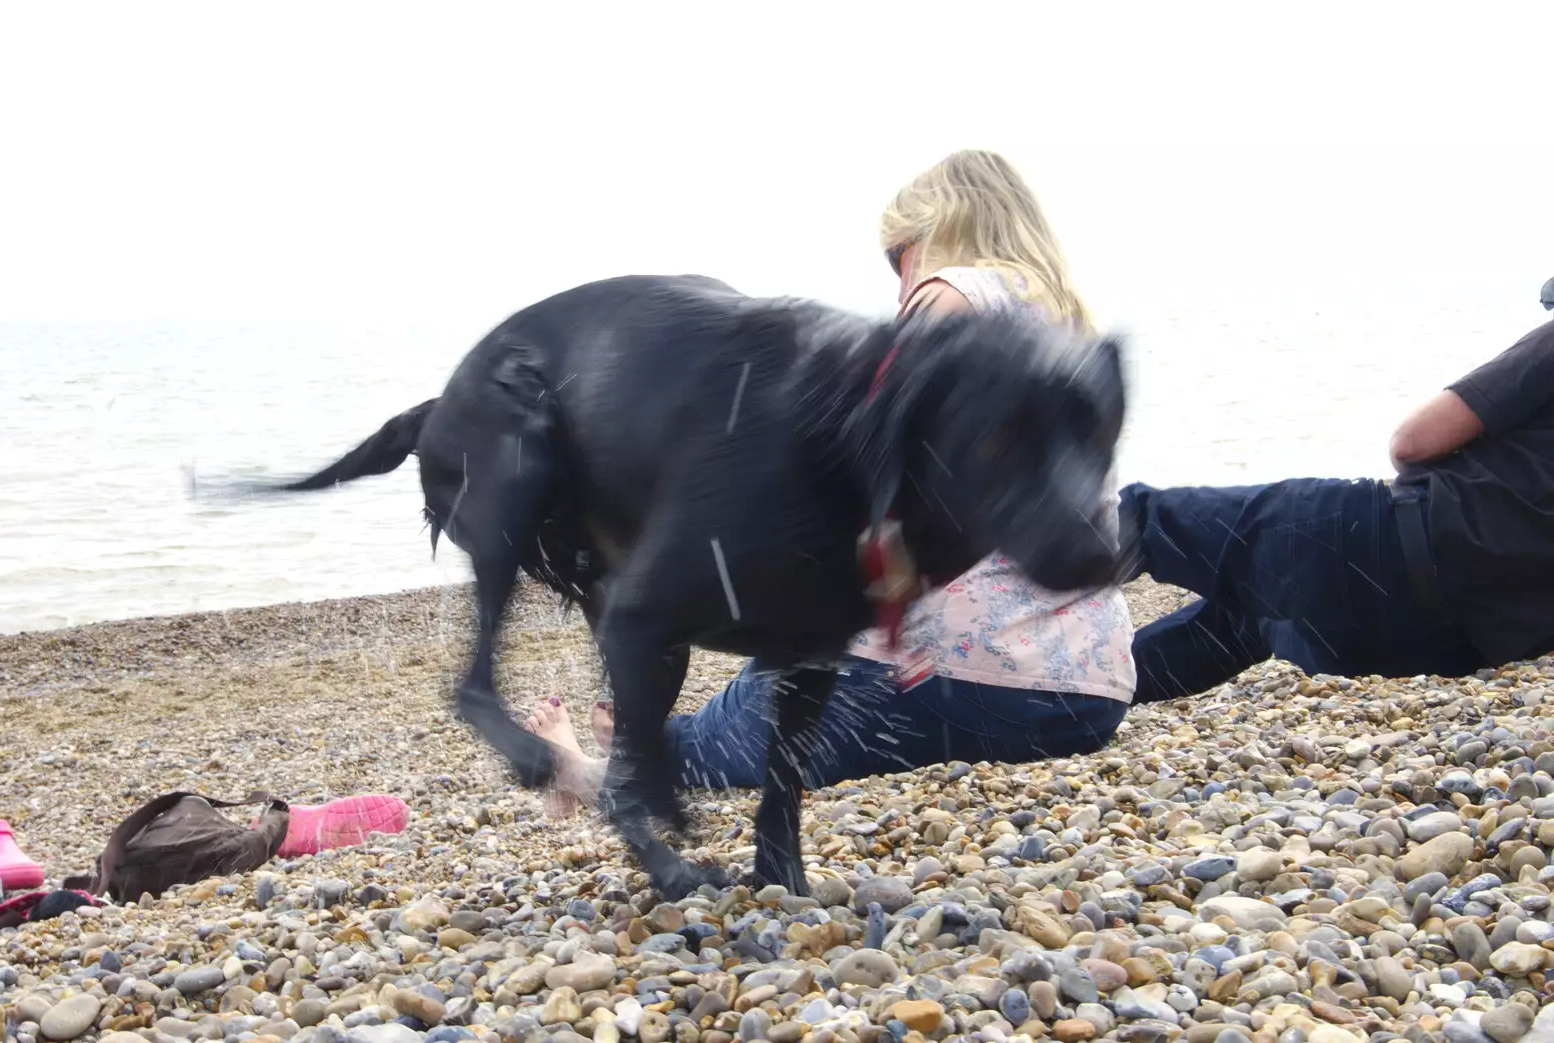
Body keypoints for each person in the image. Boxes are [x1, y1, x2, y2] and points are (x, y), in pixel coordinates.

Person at [527, 149, 1136, 815]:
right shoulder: (1073, 336)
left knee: (749, 705)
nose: (901, 285)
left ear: (935, 239)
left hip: (966, 687)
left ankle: (592, 769)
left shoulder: (949, 304)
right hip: (1087, 694)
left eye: (899, 255)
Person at [1123, 315, 1554, 703]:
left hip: (1382, 548)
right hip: (1422, 644)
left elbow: (1414, 442)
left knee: (1145, 520)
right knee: (1247, 618)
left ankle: (1065, 666)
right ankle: (1070, 706)